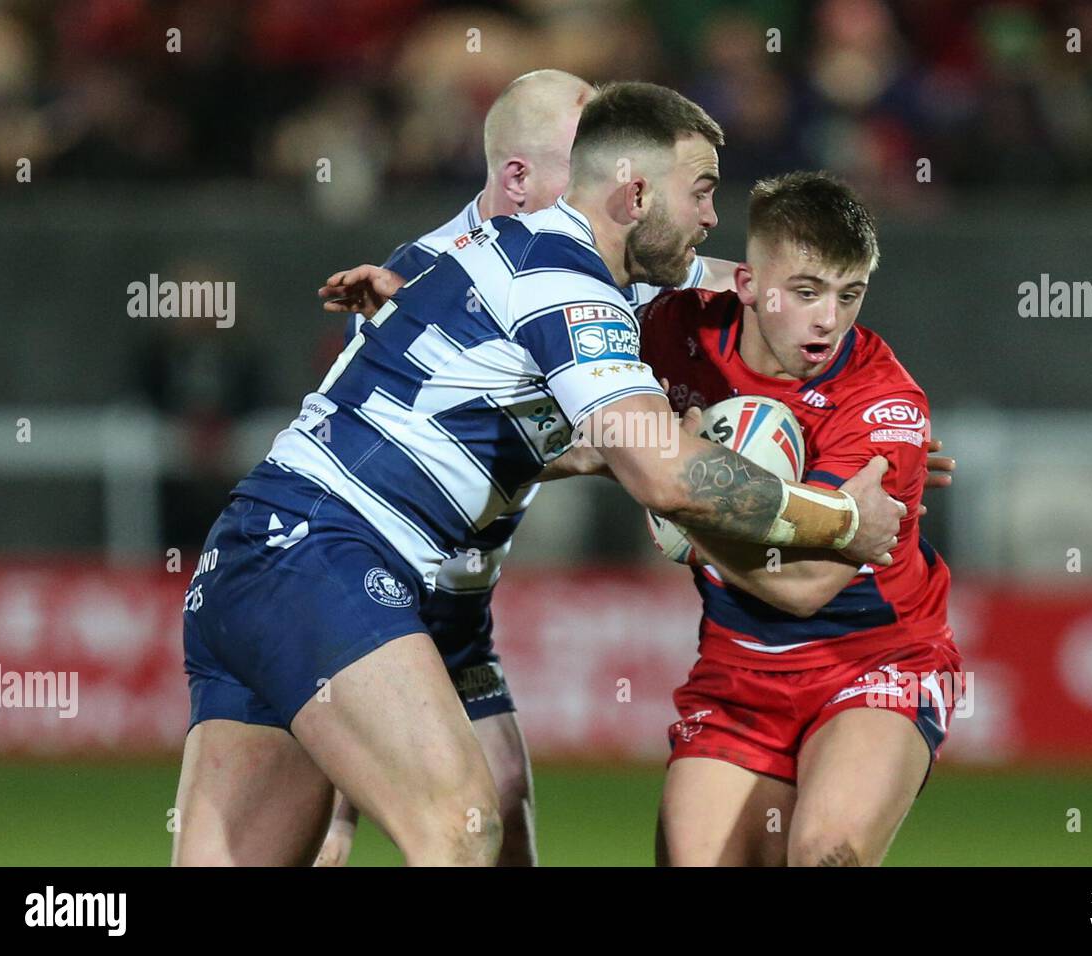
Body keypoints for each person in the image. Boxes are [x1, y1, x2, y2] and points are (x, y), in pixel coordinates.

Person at [172, 83, 905, 866]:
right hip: (322, 557)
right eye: (701, 192)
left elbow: (747, 287)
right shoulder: (569, 284)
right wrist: (839, 520)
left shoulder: (513, 254)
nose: (710, 216)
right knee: (462, 829)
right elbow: (665, 476)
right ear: (635, 194)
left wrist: (854, 412)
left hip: (254, 557)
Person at [311, 69, 737, 867]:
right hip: (370, 573)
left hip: (461, 604)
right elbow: (417, 445)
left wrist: (851, 400)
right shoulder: (432, 272)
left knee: (500, 805)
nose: (617, 183)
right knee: (331, 818)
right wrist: (638, 457)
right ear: (518, 175)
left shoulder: (602, 253)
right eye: (591, 159)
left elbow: (734, 286)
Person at [638, 171, 962, 866]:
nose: (828, 320)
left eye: (851, 295)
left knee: (826, 854)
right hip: (737, 668)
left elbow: (805, 585)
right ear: (749, 285)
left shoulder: (884, 403)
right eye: (807, 292)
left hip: (873, 660)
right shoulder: (673, 331)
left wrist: (686, 511)